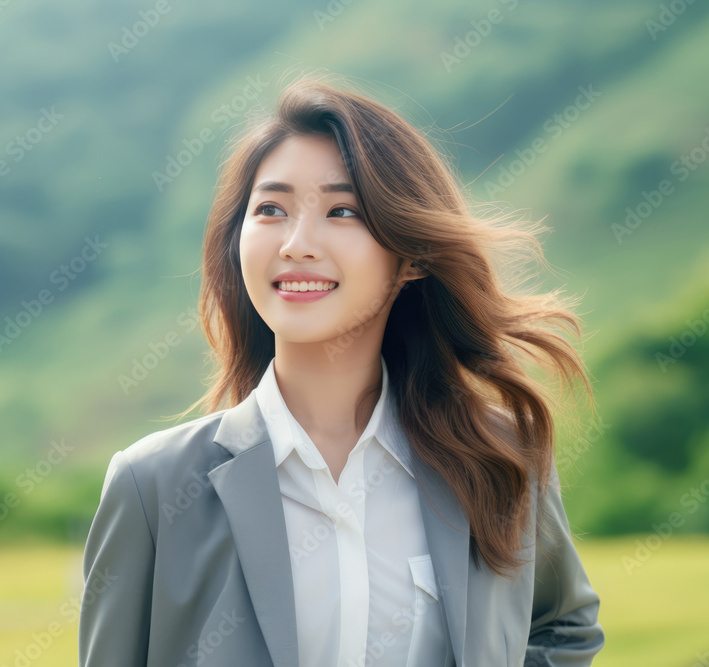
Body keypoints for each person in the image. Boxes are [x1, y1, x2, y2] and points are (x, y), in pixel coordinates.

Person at [79, 73, 604, 666]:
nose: (297, 243)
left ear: (410, 257)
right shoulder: (153, 488)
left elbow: (563, 630)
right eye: (271, 208)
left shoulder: (499, 457)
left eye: (342, 210)